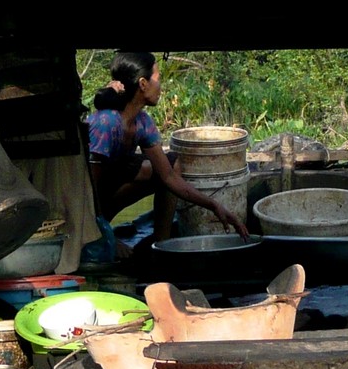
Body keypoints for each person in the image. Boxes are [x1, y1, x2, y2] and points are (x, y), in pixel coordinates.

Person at [86, 51, 248, 244]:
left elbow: (169, 177)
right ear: (143, 84)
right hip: (84, 199)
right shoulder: (107, 122)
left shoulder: (142, 122)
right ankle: (99, 234)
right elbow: (89, 189)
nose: (160, 86)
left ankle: (161, 243)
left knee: (169, 163)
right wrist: (109, 239)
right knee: (142, 171)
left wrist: (214, 205)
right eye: (158, 78)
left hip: (110, 184)